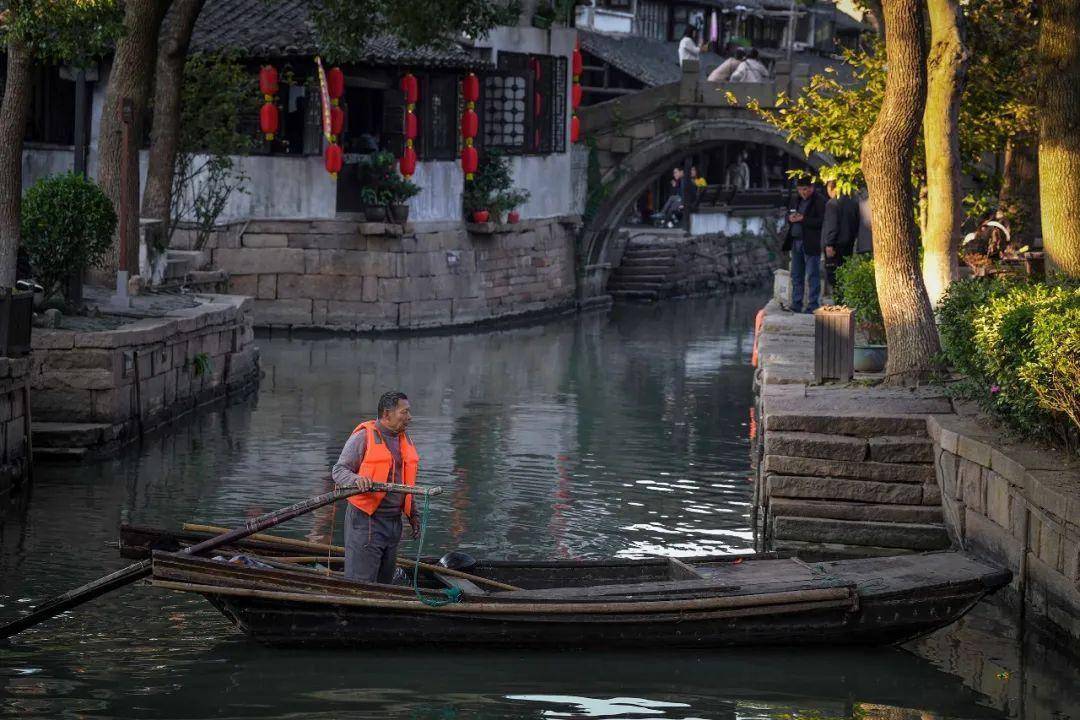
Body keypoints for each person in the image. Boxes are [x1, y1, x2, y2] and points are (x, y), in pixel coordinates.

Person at [333, 390, 421, 584]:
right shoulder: (364, 437)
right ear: (386, 414)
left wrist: (413, 514)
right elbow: (339, 471)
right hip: (367, 522)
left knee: (384, 583)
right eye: (404, 412)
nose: (409, 417)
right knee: (361, 582)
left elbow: (406, 482)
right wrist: (357, 480)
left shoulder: (404, 439)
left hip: (393, 523)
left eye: (409, 412)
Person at [781, 178, 826, 313]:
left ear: (812, 188)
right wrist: (790, 218)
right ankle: (796, 302)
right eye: (800, 189)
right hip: (796, 241)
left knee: (812, 274)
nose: (803, 192)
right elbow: (788, 213)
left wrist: (804, 219)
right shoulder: (797, 199)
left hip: (811, 242)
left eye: (805, 189)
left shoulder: (819, 201)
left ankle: (813, 304)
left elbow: (821, 221)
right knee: (796, 274)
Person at [821, 179, 861, 291]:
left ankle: (838, 302)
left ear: (831, 188)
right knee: (845, 273)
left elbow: (832, 225)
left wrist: (829, 244)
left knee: (834, 277)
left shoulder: (832, 203)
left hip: (835, 246)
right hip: (849, 242)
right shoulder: (853, 201)